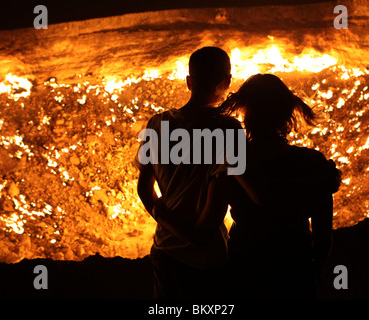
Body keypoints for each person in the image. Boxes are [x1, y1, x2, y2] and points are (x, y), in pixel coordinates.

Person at [135, 47, 243, 299]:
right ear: (227, 81)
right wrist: (194, 236)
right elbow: (213, 214)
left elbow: (143, 188)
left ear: (188, 82)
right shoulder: (229, 129)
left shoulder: (157, 124)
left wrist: (161, 214)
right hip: (207, 261)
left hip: (164, 252)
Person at [218, 73, 338, 299]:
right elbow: (323, 236)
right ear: (286, 113)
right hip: (294, 265)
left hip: (246, 267)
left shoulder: (234, 162)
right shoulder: (313, 162)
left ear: (246, 114)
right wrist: (316, 272)